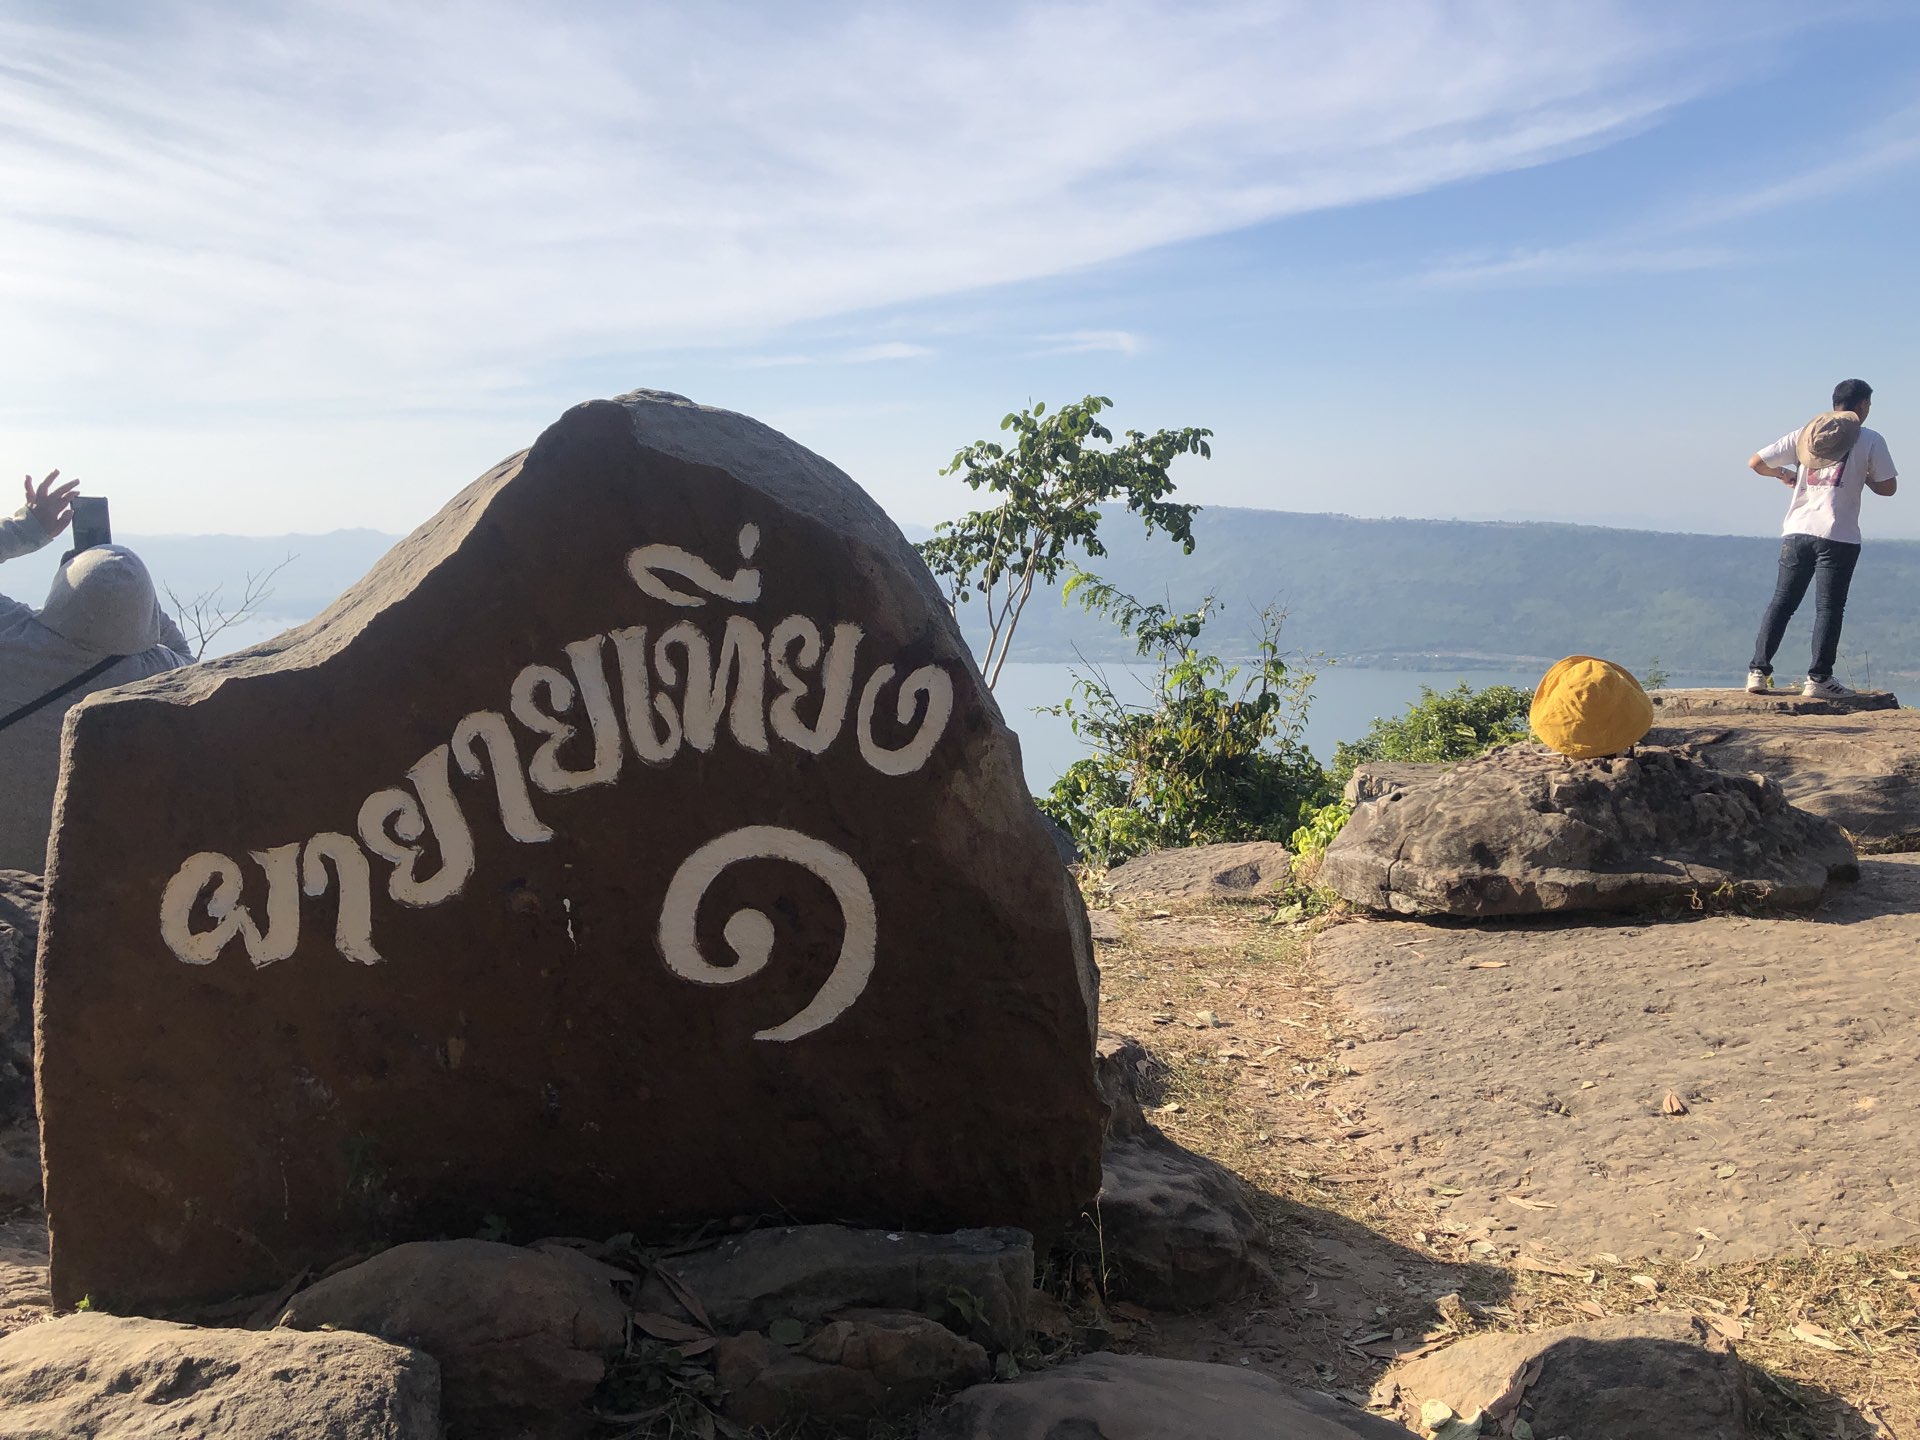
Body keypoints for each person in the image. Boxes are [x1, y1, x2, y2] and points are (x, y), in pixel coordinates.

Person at [0, 471, 193, 871]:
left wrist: (29, 528)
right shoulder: (153, 676)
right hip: (59, 877)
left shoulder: (10, 636)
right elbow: (183, 656)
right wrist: (135, 600)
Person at [1745, 380, 1897, 698]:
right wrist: (1863, 474)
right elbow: (1888, 487)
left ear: (1834, 403)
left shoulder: (1805, 434)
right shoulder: (1869, 438)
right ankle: (1819, 679)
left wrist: (1785, 475)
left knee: (1782, 602)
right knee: (1828, 607)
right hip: (1838, 534)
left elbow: (1756, 463)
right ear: (1864, 406)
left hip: (1796, 530)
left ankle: (1757, 673)